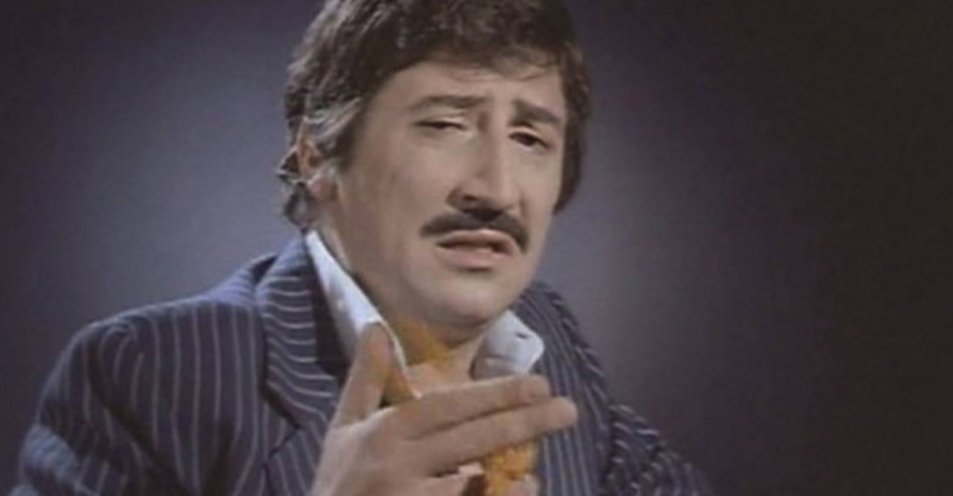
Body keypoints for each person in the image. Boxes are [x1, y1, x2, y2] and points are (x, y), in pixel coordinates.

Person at [12, 0, 710, 494]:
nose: (497, 189)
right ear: (317, 156)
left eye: (531, 138)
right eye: (444, 125)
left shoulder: (549, 338)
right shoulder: (148, 373)